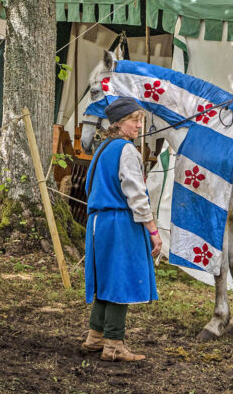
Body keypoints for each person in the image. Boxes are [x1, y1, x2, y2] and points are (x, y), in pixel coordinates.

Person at [80, 96, 162, 362]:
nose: (139, 126)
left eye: (141, 120)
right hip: (118, 223)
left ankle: (96, 337)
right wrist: (152, 230)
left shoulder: (103, 149)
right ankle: (114, 344)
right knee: (119, 280)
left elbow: (89, 188)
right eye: (134, 120)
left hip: (98, 222)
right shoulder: (126, 150)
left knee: (106, 278)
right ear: (119, 123)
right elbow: (136, 195)